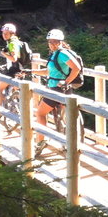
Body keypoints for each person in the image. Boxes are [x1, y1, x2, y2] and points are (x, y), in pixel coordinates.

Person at [30, 28, 82, 157]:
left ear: (61, 42)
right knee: (66, 118)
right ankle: (69, 144)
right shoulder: (55, 54)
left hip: (58, 89)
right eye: (50, 42)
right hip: (56, 88)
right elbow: (49, 72)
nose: (52, 44)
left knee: (40, 113)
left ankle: (40, 142)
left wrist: (66, 81)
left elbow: (77, 68)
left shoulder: (62, 53)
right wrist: (31, 72)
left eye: (55, 42)